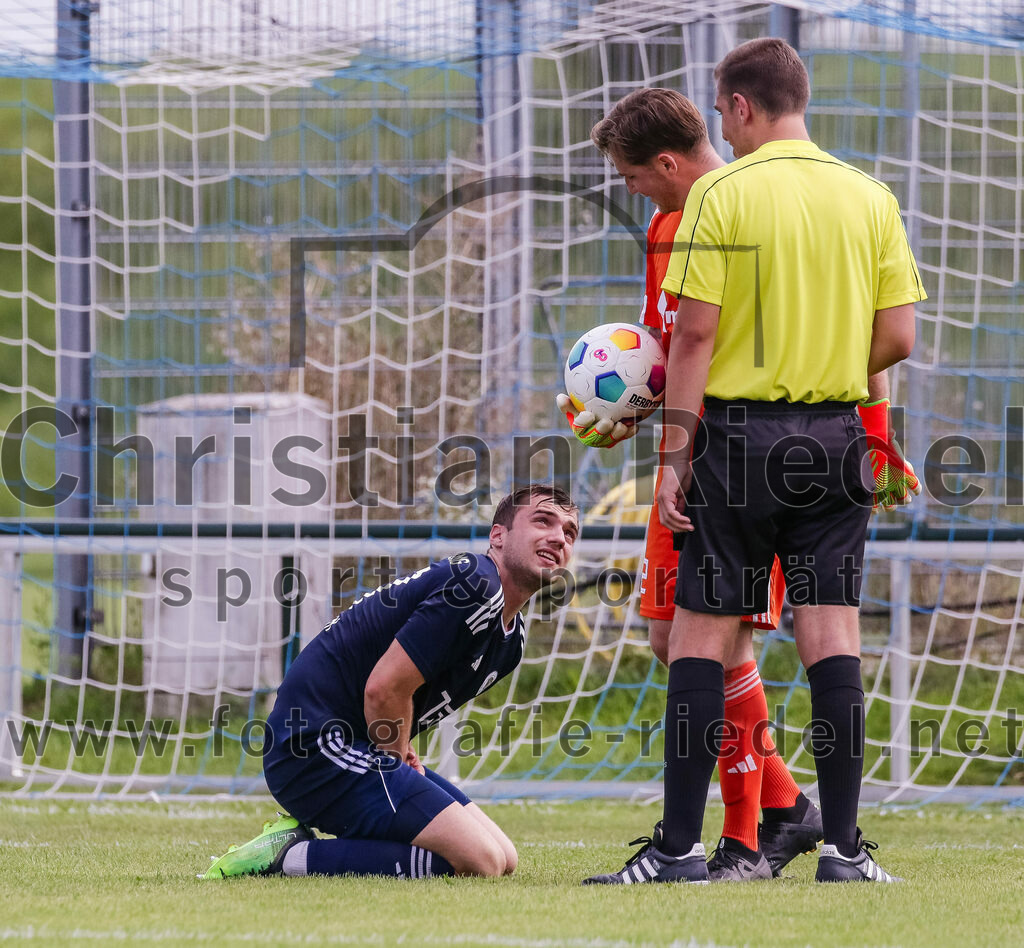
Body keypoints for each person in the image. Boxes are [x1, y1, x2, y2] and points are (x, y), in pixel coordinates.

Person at [586, 38, 925, 886]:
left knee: (698, 637)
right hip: (838, 437)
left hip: (739, 442)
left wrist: (674, 454)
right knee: (832, 641)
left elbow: (694, 335)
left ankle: (679, 851)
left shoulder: (721, 196)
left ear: (739, 107)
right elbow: (899, 339)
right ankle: (845, 852)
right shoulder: (869, 196)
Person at [561, 88, 824, 882]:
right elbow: (670, 345)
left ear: (667, 163)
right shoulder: (664, 226)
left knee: (716, 635)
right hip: (688, 454)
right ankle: (784, 807)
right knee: (672, 638)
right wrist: (627, 404)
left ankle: (746, 842)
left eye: (633, 176)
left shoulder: (736, 212)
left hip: (744, 455)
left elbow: (720, 340)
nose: (631, 189)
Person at [202, 484, 579, 880]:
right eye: (543, 521)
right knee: (480, 861)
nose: (558, 537)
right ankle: (288, 856)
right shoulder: (476, 586)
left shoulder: (511, 640)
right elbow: (383, 689)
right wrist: (395, 757)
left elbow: (405, 690)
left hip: (358, 741)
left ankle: (311, 848)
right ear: (498, 536)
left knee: (504, 857)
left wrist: (401, 749)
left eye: (569, 532)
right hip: (311, 746)